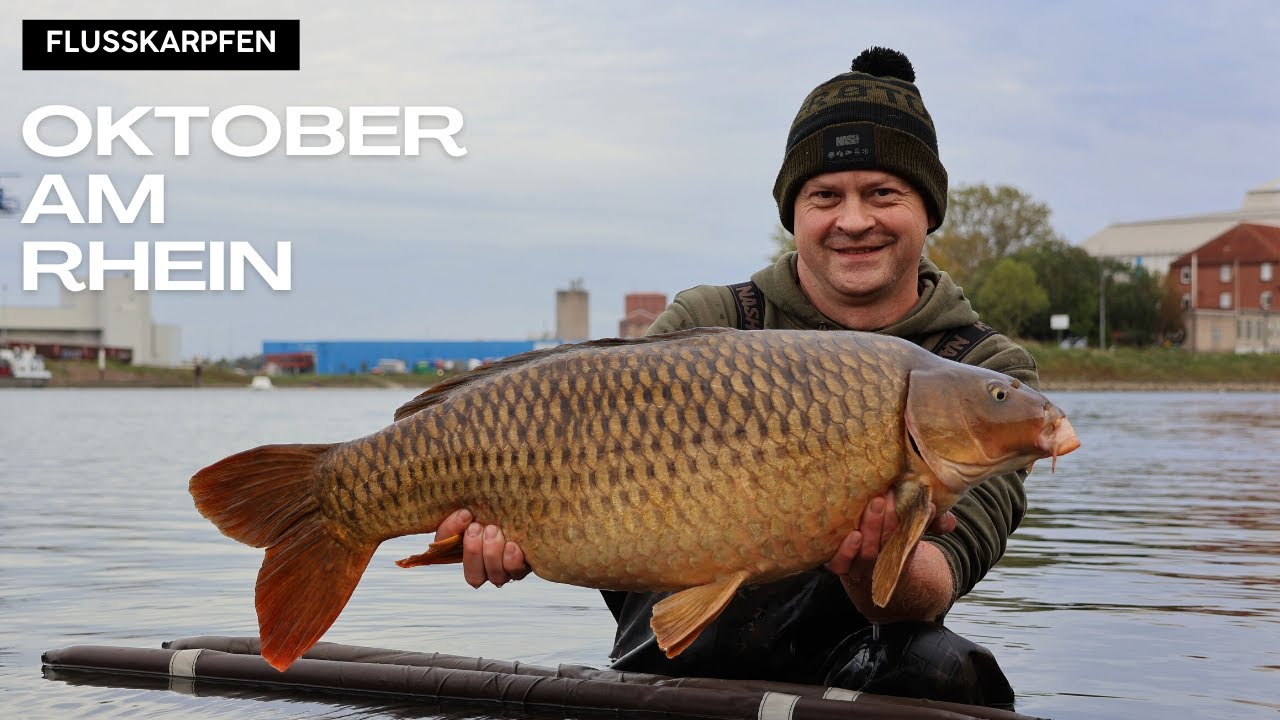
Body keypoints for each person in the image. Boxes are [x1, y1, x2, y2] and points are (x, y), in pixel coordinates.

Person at [433, 46, 1036, 708]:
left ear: (928, 210)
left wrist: (874, 568)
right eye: (825, 196)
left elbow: (943, 576)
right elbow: (573, 452)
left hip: (859, 656)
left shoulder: (986, 376)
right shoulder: (715, 320)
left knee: (948, 673)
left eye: (883, 193)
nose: (854, 219)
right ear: (795, 213)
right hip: (675, 640)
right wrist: (512, 529)